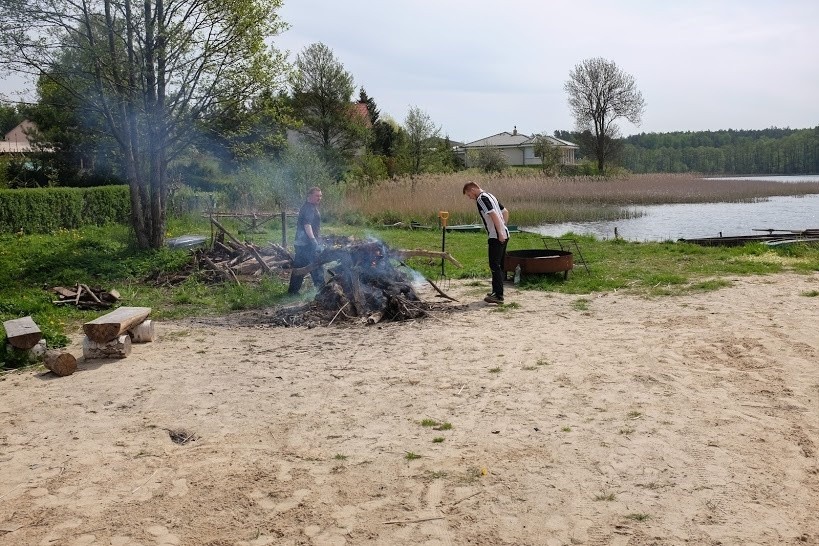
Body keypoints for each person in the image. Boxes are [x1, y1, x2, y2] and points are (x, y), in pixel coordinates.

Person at [463, 181, 510, 304]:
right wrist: (504, 228)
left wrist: (499, 232)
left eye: (469, 195)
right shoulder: (490, 195)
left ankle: (498, 296)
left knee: (495, 265)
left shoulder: (481, 199)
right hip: (504, 233)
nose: (470, 198)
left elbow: (493, 214)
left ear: (472, 189)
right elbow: (505, 211)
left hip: (496, 236)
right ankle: (496, 291)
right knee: (498, 265)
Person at [288, 187, 324, 295]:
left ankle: (293, 291)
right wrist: (313, 241)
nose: (319, 198)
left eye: (320, 196)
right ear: (310, 196)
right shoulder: (309, 208)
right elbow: (307, 225)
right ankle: (322, 291)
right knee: (317, 265)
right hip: (307, 244)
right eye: (317, 196)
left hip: (301, 244)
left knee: (299, 266)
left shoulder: (308, 206)